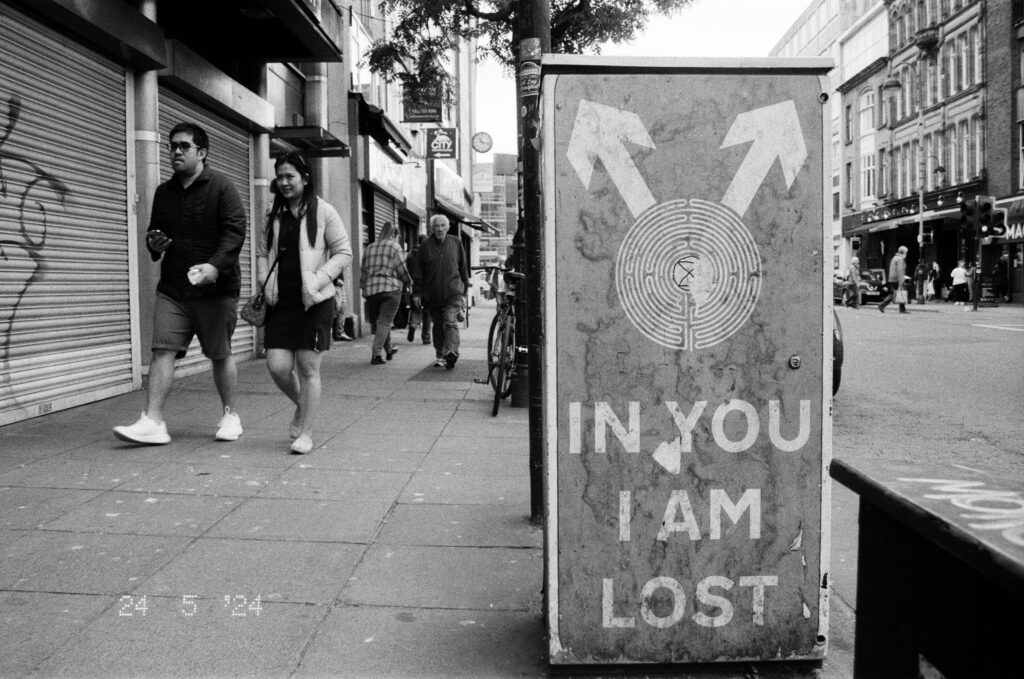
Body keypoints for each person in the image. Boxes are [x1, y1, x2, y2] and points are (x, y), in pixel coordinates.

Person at [114, 122, 246, 445]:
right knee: (162, 350)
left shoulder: (222, 187)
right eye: (172, 146)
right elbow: (155, 233)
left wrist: (214, 266)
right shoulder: (164, 192)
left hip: (215, 290)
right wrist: (154, 244)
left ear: (202, 153)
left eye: (184, 146)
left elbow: (235, 232)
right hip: (173, 288)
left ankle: (230, 416)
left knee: (219, 353)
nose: (175, 151)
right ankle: (153, 421)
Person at [256, 152, 352, 454]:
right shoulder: (272, 212)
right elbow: (262, 252)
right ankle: (302, 405)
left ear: (305, 179)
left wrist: (319, 279)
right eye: (280, 177)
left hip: (314, 302)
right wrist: (264, 280)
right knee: (277, 366)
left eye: (290, 177)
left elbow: (344, 252)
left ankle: (306, 433)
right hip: (280, 302)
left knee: (309, 369)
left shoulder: (324, 211)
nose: (284, 182)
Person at [412, 214, 470, 370]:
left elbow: (463, 268)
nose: (439, 229)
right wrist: (417, 293)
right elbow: (419, 272)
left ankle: (452, 352)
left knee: (450, 320)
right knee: (438, 325)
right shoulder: (425, 245)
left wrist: (465, 290)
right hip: (433, 293)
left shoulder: (456, 242)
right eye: (436, 226)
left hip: (454, 291)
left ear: (448, 227)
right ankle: (440, 354)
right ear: (432, 228)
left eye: (442, 225)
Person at [361, 221, 412, 365]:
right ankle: (376, 354)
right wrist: (408, 282)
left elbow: (363, 271)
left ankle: (389, 349)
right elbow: (401, 268)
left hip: (372, 290)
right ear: (394, 234)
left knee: (382, 321)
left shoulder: (369, 248)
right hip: (390, 288)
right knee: (384, 321)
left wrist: (363, 287)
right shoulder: (395, 247)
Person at [405, 234, 431, 344]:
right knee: (427, 312)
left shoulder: (410, 255)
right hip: (426, 286)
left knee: (415, 309)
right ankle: (426, 337)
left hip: (415, 285)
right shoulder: (427, 254)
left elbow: (407, 270)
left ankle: (413, 325)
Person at [878, 245, 909, 314]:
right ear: (903, 252)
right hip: (896, 279)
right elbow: (900, 271)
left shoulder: (894, 258)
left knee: (898, 293)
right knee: (894, 293)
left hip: (892, 279)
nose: (906, 254)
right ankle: (882, 305)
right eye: (906, 252)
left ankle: (902, 308)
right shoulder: (900, 259)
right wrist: (901, 281)